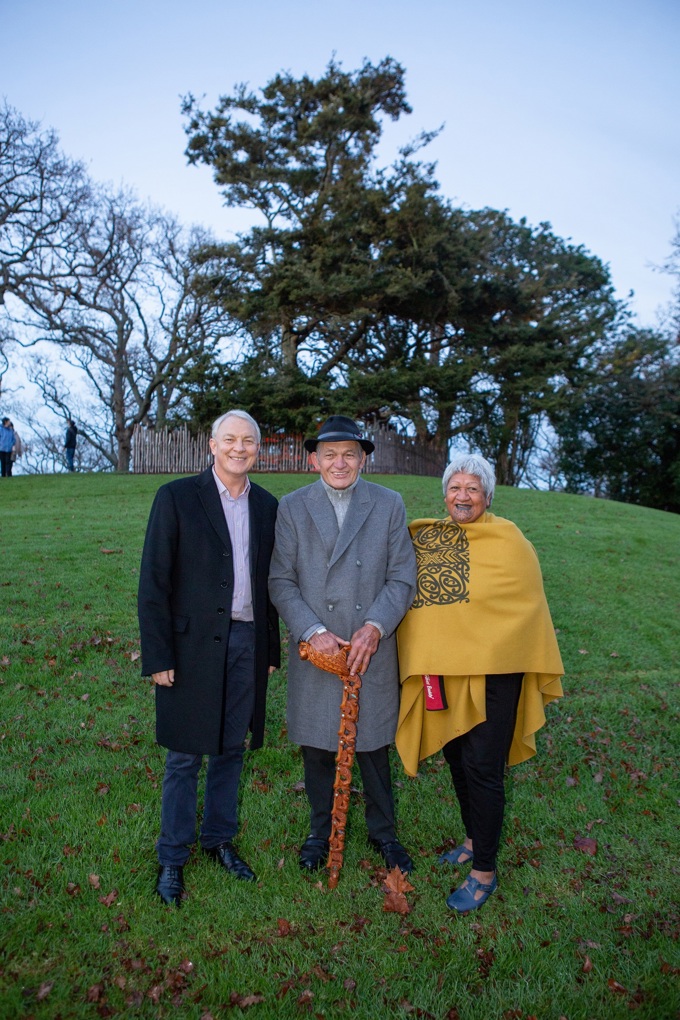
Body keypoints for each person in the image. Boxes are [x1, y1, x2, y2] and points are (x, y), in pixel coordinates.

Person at [395, 453, 564, 913]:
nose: (462, 497)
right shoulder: (427, 537)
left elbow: (525, 605)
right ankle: (472, 839)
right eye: (455, 488)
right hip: (443, 671)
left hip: (494, 671)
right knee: (455, 756)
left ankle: (483, 871)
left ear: (487, 496)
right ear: (444, 493)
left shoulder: (509, 540)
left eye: (472, 489)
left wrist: (491, 645)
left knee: (484, 768)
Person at [138, 410, 280, 906]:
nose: (239, 448)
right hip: (189, 646)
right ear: (212, 446)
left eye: (249, 441)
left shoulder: (266, 505)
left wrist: (269, 650)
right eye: (230, 440)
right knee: (184, 756)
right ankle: (172, 857)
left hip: (246, 642)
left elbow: (269, 584)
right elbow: (153, 582)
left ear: (258, 450)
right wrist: (158, 655)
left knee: (231, 748)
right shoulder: (176, 497)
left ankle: (219, 839)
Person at [269, 415, 417, 875]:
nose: (339, 463)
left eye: (349, 454)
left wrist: (375, 627)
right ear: (314, 459)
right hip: (319, 648)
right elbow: (281, 580)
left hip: (367, 646)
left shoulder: (389, 504)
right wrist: (312, 631)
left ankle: (383, 834)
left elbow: (402, 578)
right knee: (317, 745)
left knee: (371, 746)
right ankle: (319, 831)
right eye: (330, 454)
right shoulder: (292, 507)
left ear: (363, 459)